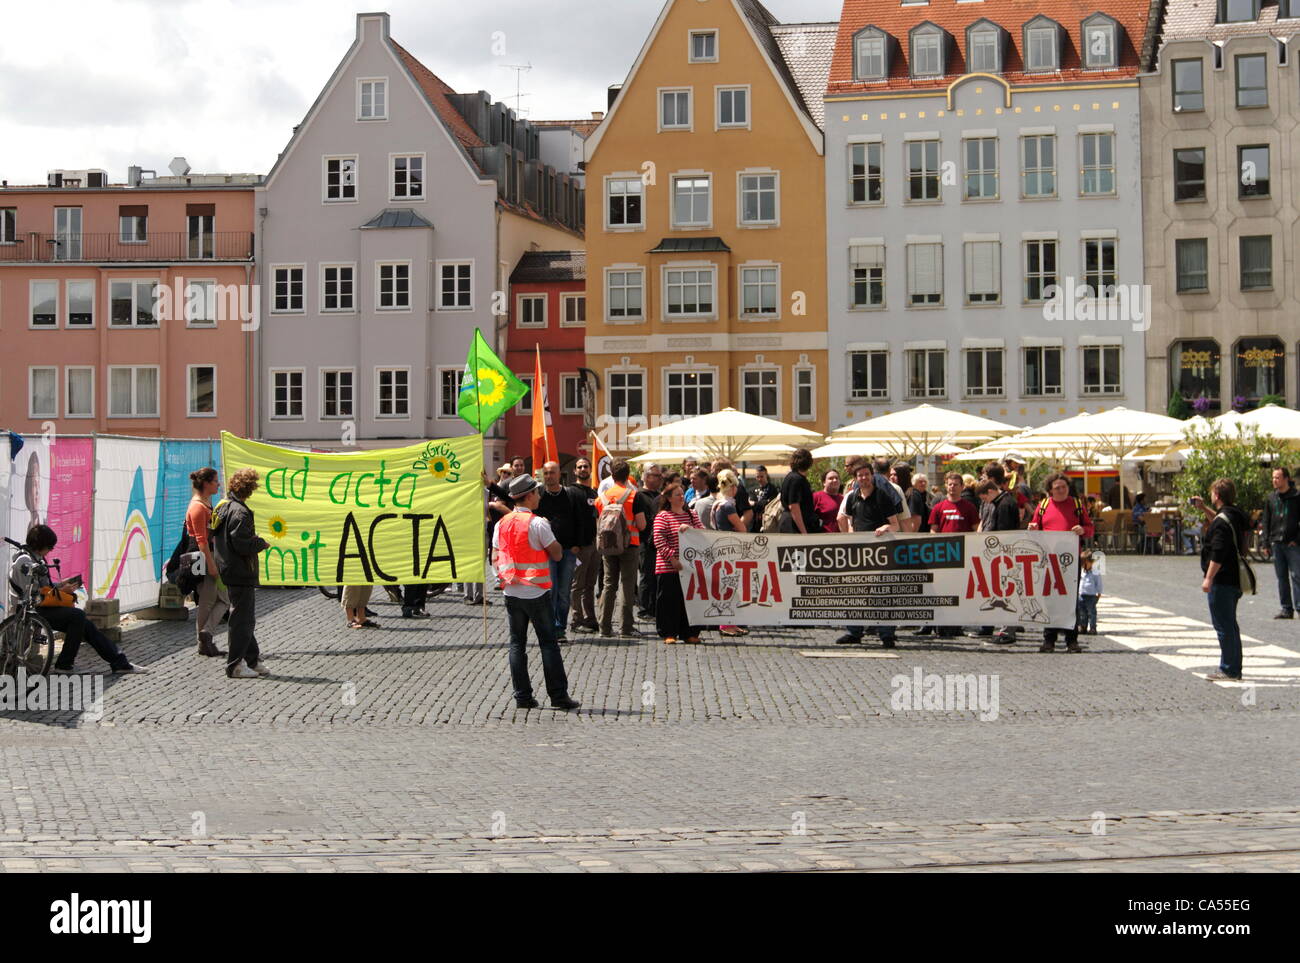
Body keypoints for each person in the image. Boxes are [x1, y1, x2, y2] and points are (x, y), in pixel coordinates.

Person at [9, 524, 145, 675]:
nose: (50, 551)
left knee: (83, 623)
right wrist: (61, 591)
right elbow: (34, 596)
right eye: (50, 547)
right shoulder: (24, 561)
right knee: (78, 617)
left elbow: (43, 589)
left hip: (40, 608)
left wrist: (61, 585)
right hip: (29, 611)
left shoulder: (34, 558)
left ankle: (119, 662)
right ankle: (66, 664)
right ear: (42, 545)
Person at [493, 474, 580, 710]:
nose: (539, 496)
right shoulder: (538, 523)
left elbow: (495, 555)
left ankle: (522, 697)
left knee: (516, 645)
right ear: (529, 495)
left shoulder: (502, 523)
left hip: (511, 590)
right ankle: (558, 696)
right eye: (537, 492)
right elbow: (557, 553)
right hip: (536, 591)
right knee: (548, 643)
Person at [210, 468, 272, 679]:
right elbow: (241, 543)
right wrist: (260, 543)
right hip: (239, 570)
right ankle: (235, 665)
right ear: (249, 489)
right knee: (242, 620)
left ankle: (252, 660)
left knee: (244, 618)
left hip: (227, 567)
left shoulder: (223, 506)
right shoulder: (240, 511)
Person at [835, 464, 903, 648]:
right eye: (860, 475)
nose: (863, 478)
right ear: (855, 478)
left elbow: (896, 525)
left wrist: (885, 528)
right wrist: (851, 538)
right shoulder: (852, 497)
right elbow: (850, 521)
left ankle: (887, 634)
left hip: (881, 552)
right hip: (859, 552)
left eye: (866, 475)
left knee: (883, 593)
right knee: (856, 592)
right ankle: (854, 632)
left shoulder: (883, 496)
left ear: (872, 476)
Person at [1028, 473, 1095, 653]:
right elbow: (1034, 526)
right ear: (1050, 490)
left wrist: (1082, 530)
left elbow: (1090, 529)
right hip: (1048, 559)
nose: (1061, 490)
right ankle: (1049, 639)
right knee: (1049, 599)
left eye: (1064, 487)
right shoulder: (1043, 506)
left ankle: (1071, 640)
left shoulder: (1077, 505)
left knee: (1070, 599)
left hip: (1070, 560)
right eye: (1057, 487)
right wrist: (1032, 528)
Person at [1190, 479, 1250, 681]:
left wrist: (1208, 578)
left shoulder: (1221, 524)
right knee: (1230, 624)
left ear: (1217, 495)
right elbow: (1220, 519)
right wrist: (1204, 508)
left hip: (1222, 580)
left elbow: (1218, 552)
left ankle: (1229, 669)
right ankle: (1234, 666)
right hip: (1235, 578)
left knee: (1224, 625)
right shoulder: (1235, 514)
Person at [536, 461, 589, 642]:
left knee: (564, 592)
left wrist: (578, 544)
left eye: (552, 472)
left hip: (568, 550)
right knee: (550, 590)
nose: (549, 476)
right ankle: (550, 627)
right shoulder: (539, 494)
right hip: (546, 551)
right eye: (546, 473)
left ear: (560, 474)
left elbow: (581, 520)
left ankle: (560, 628)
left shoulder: (571, 495)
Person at [598, 460, 646, 639]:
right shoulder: (634, 496)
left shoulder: (602, 497)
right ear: (628, 475)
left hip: (608, 545)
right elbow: (641, 524)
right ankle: (626, 628)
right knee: (626, 584)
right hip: (630, 544)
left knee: (608, 584)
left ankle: (604, 626)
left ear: (611, 474)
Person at [976, 466, 1024, 643]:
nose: (985, 501)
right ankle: (1004, 629)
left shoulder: (1004, 503)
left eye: (985, 497)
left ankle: (1007, 631)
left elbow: (1003, 533)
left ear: (990, 491)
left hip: (1004, 556)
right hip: (999, 555)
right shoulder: (1000, 501)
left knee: (1006, 592)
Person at [185, 467, 228, 658]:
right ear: (206, 483)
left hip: (210, 555)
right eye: (215, 481)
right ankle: (205, 636)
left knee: (216, 599)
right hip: (205, 557)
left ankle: (205, 637)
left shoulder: (204, 503)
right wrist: (211, 566)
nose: (218, 484)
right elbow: (201, 540)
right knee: (210, 600)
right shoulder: (198, 506)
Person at [653, 483, 703, 644]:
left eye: (682, 494)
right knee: (669, 601)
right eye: (677, 494)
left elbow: (702, 533)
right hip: (668, 567)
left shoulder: (692, 514)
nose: (681, 497)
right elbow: (659, 540)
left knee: (689, 601)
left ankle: (689, 632)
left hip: (690, 567)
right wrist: (673, 559)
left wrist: (689, 529)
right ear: (668, 498)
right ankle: (669, 632)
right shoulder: (663, 516)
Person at [711, 470, 750, 639]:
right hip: (730, 549)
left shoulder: (717, 504)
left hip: (722, 548)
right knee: (729, 586)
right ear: (733, 487)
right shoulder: (727, 506)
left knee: (728, 586)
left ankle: (730, 622)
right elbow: (742, 528)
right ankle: (726, 624)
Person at [1259, 467, 1300, 619]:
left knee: (1297, 575)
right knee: (1281, 577)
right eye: (1273, 477)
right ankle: (1286, 608)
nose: (1274, 480)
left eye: (1277, 477)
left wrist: (1297, 539)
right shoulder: (1271, 497)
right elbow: (1266, 520)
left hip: (1292, 543)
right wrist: (1265, 542)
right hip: (1276, 542)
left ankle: (1299, 607)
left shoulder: (1296, 496)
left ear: (1286, 479)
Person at [569, 457, 601, 634]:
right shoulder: (571, 492)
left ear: (590, 469)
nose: (583, 469)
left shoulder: (594, 493)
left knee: (590, 584)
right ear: (575, 471)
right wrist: (573, 543)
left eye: (586, 466)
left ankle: (590, 618)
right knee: (577, 584)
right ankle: (576, 619)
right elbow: (570, 520)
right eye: (580, 467)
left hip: (594, 544)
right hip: (579, 547)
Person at [635, 464, 665, 622]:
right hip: (645, 541)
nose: (660, 479)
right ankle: (644, 609)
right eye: (657, 476)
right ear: (646, 476)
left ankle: (654, 607)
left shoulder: (659, 495)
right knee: (646, 575)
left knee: (656, 576)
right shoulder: (640, 495)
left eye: (660, 476)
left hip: (659, 541)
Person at [780, 449, 817, 534]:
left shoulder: (791, 477)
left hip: (790, 523)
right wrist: (804, 532)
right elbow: (794, 506)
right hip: (794, 526)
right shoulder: (797, 479)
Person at [1076, 550, 1102, 635]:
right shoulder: (1082, 571)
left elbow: (1099, 583)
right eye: (1082, 564)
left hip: (1091, 596)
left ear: (1091, 562)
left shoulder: (1095, 572)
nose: (1084, 566)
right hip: (1081, 595)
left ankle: (1093, 628)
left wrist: (1099, 593)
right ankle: (1083, 627)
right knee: (1082, 613)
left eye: (1085, 564)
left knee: (1092, 613)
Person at [749, 466, 779, 533]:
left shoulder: (772, 489)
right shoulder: (752, 490)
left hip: (768, 522)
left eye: (762, 476)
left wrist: (755, 503)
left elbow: (771, 504)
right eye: (757, 477)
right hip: (754, 524)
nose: (759, 479)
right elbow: (750, 504)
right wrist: (762, 503)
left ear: (766, 475)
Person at [811, 469, 843, 533]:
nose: (835, 480)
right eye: (830, 478)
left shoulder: (843, 499)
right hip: (823, 538)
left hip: (842, 538)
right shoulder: (816, 497)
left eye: (837, 478)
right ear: (824, 482)